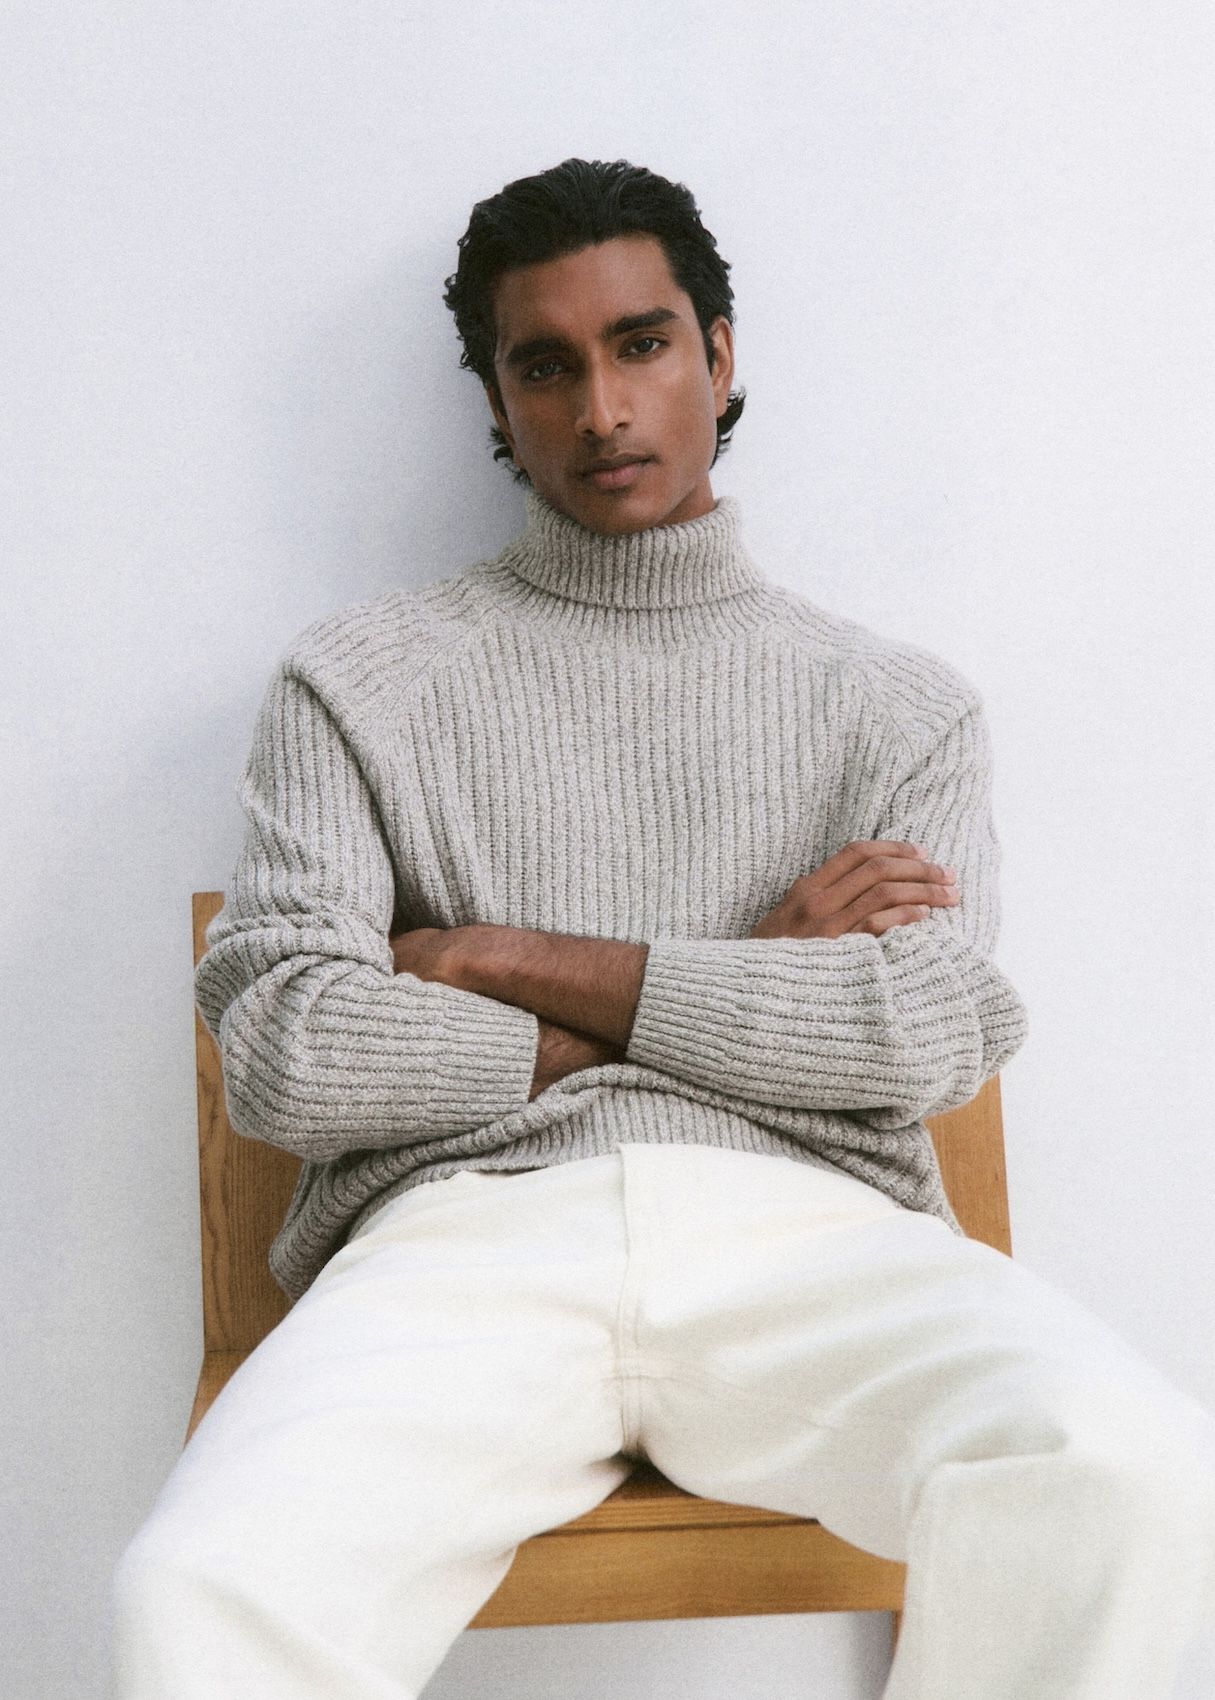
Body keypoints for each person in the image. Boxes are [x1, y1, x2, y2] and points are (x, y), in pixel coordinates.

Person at [110, 157, 1215, 1698]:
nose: (602, 409)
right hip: (463, 1247)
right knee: (203, 1589)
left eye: (641, 345)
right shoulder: (360, 681)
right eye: (544, 365)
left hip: (816, 1237)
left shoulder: (893, 705)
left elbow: (924, 1031)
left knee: (1132, 1473)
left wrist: (491, 954)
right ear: (498, 400)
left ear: (720, 352)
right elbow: (291, 1054)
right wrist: (751, 978)